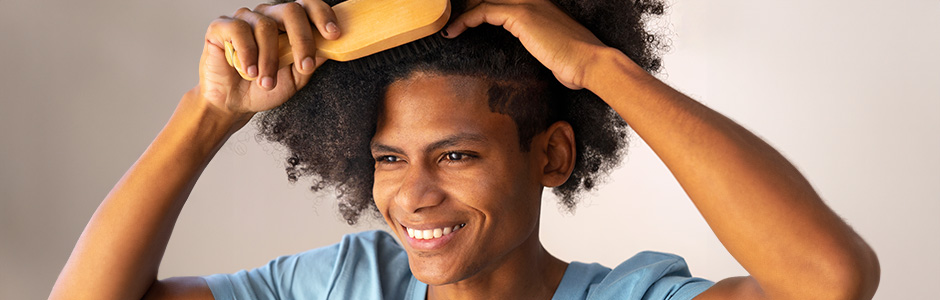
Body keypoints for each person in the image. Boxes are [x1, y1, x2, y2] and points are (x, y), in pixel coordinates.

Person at [50, 0, 881, 299]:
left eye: (455, 157)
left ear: (551, 157)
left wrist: (598, 67)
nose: (412, 197)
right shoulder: (346, 287)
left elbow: (828, 281)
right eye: (389, 157)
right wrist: (208, 113)